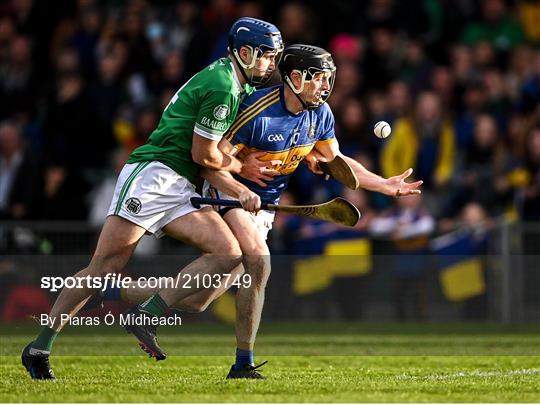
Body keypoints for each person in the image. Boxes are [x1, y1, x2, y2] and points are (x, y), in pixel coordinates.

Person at [99, 44, 422, 379]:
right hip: (228, 197)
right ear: (295, 78)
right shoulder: (256, 111)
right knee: (259, 259)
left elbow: (336, 161)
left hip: (264, 208)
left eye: (330, 79)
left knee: (200, 300)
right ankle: (240, 362)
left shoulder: (321, 113)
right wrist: (240, 186)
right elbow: (210, 164)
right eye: (320, 79)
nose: (327, 86)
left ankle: (112, 292)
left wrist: (382, 184)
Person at [21, 17, 284, 380]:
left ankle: (146, 312)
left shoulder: (236, 84)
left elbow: (212, 151)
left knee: (228, 254)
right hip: (154, 177)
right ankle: (39, 346)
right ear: (244, 52)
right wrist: (240, 181)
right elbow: (204, 155)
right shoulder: (224, 85)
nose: (272, 64)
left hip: (180, 185)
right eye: (267, 56)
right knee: (102, 268)